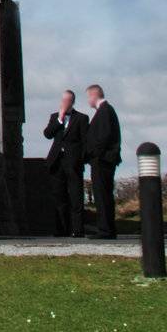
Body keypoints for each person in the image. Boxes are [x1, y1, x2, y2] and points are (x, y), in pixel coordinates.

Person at [44, 90, 88, 237]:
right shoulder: (54, 117)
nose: (64, 103)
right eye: (62, 100)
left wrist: (80, 159)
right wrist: (60, 119)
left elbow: (84, 141)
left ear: (72, 102)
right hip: (57, 161)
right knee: (59, 196)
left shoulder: (81, 118)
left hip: (72, 161)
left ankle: (77, 229)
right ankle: (61, 228)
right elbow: (47, 134)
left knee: (75, 196)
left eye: (67, 100)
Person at [85, 84, 122, 238]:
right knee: (103, 194)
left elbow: (104, 136)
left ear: (94, 95)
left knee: (102, 195)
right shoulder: (106, 111)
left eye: (88, 97)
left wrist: (94, 154)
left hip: (103, 160)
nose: (88, 101)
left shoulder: (105, 111)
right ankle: (107, 228)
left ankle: (105, 230)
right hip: (104, 159)